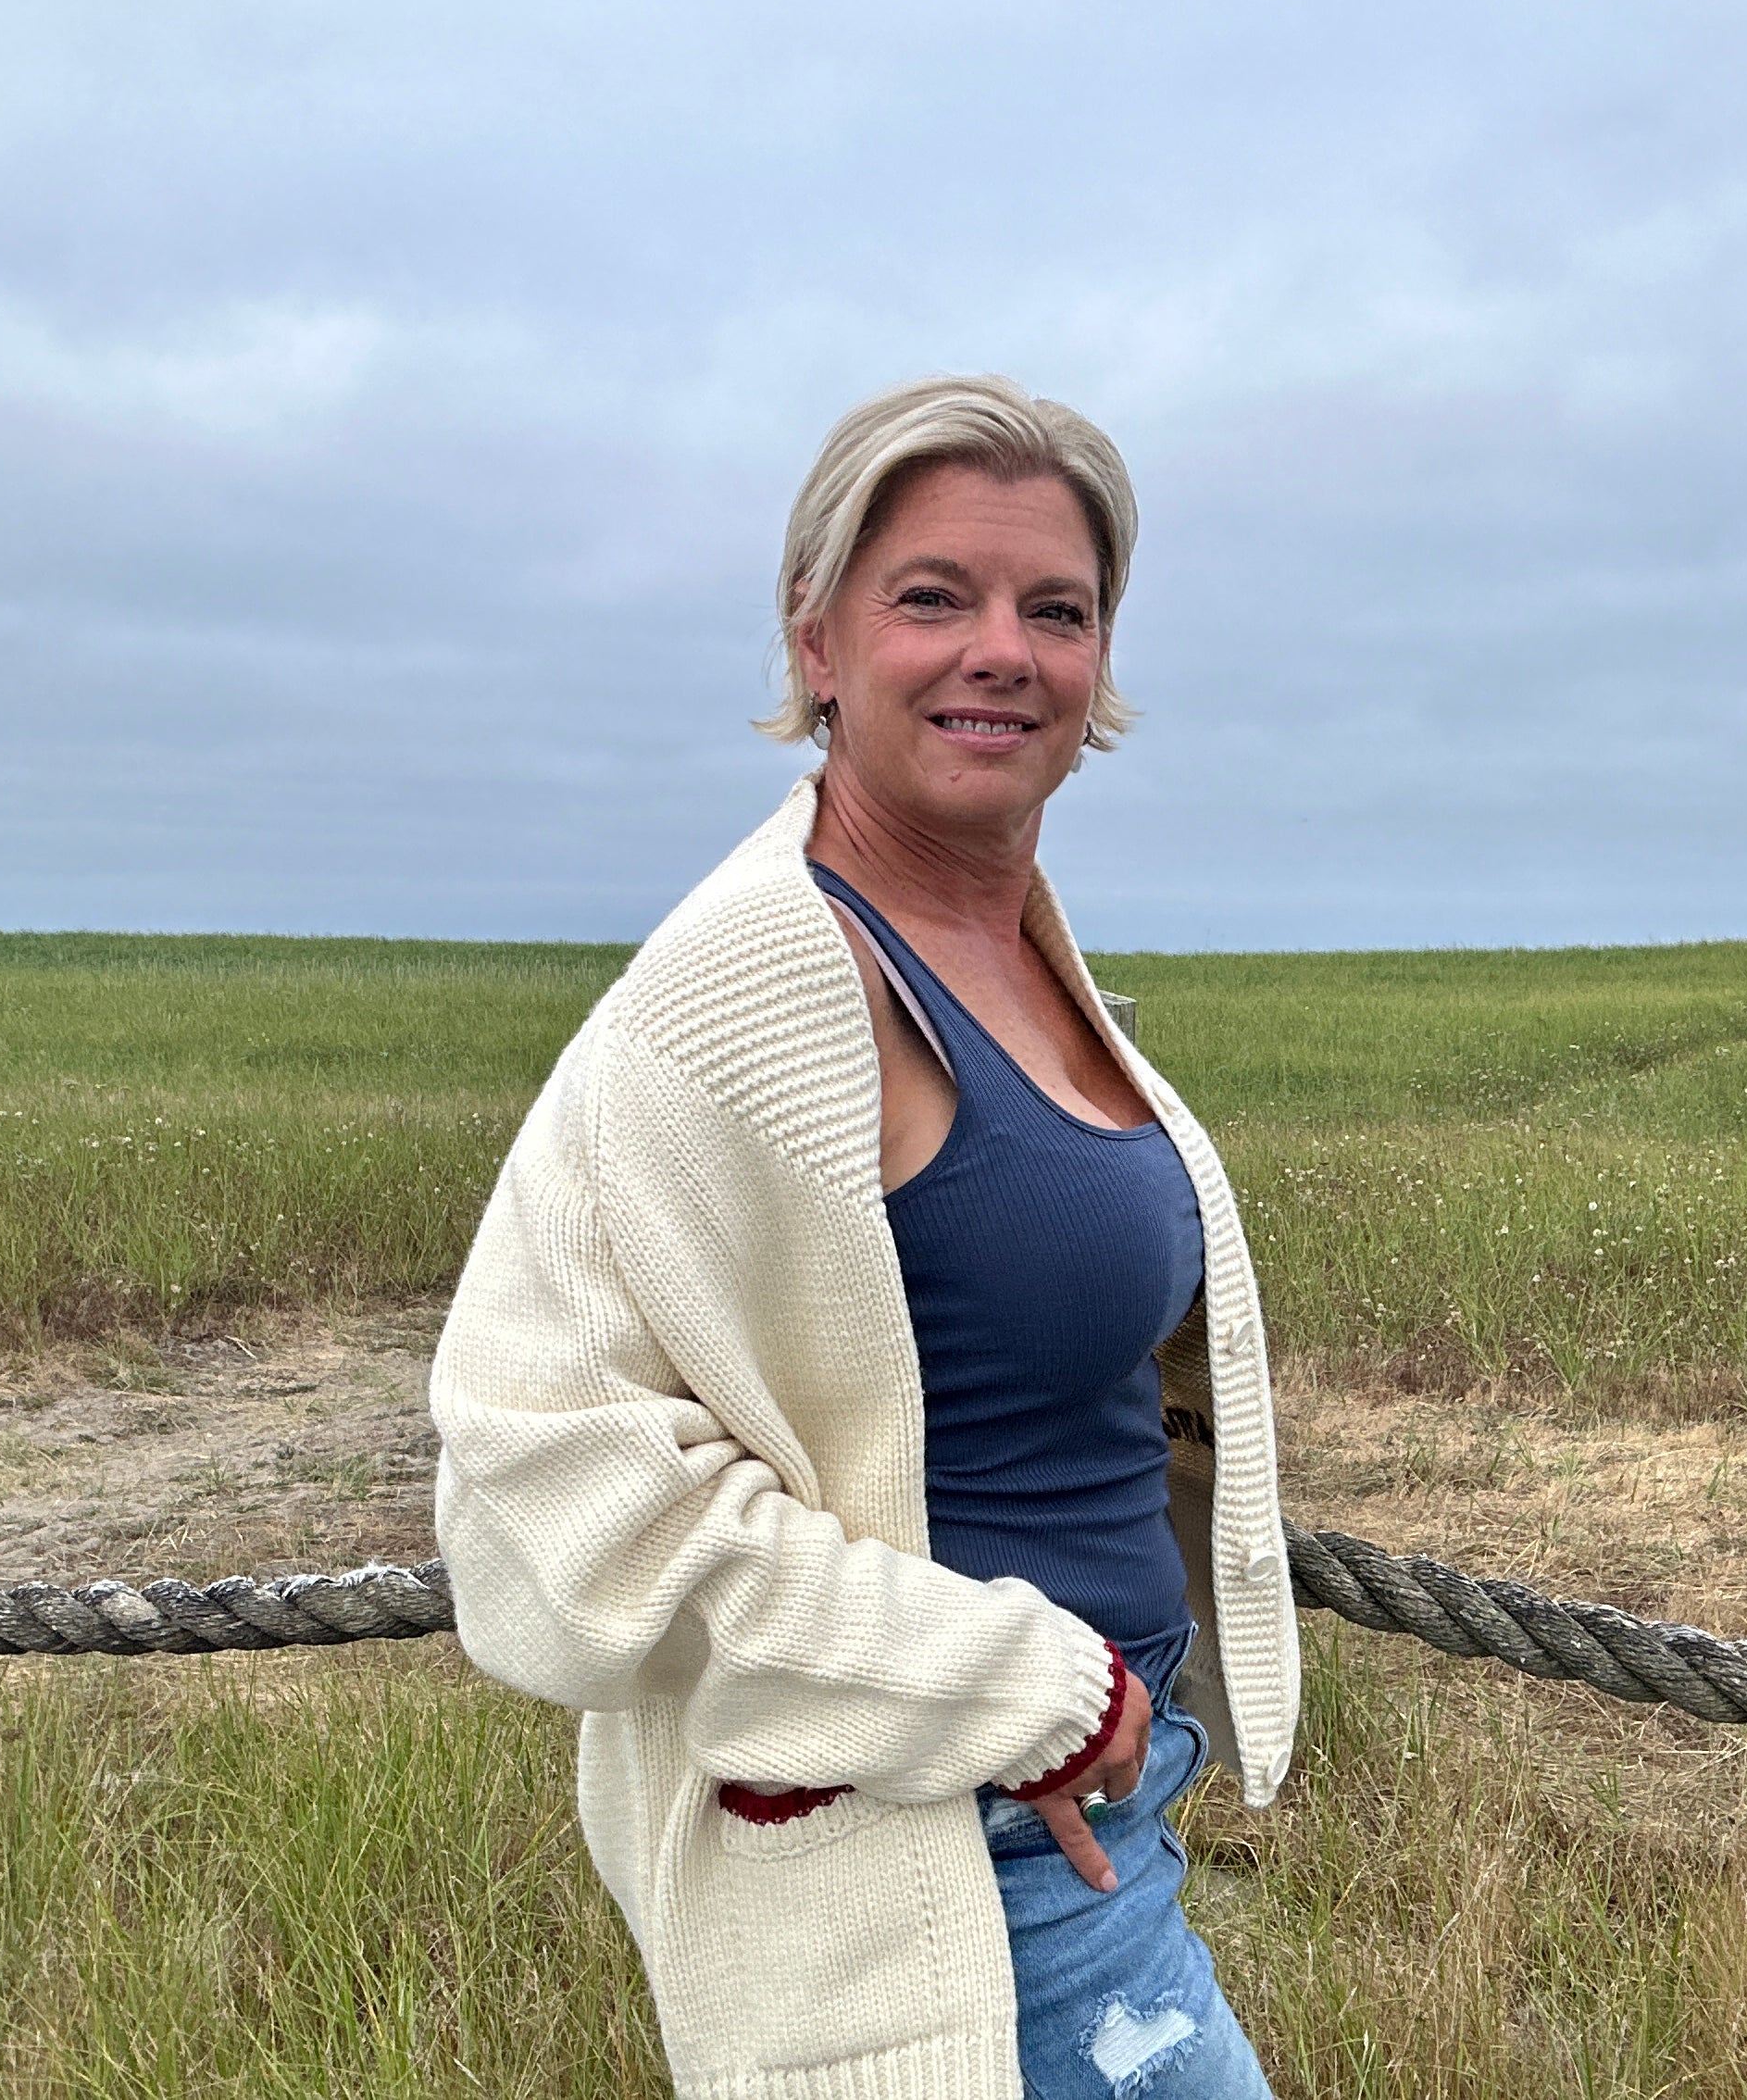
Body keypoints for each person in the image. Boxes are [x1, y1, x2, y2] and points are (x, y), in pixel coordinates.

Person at [431, 373, 1299, 2100]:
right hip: (940, 1842)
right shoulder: (749, 980)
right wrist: (1017, 1687)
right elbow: (535, 1489)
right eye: (932, 597)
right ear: (816, 638)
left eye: (1058, 610)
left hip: (1078, 1813)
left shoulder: (1005, 941)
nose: (1004, 650)